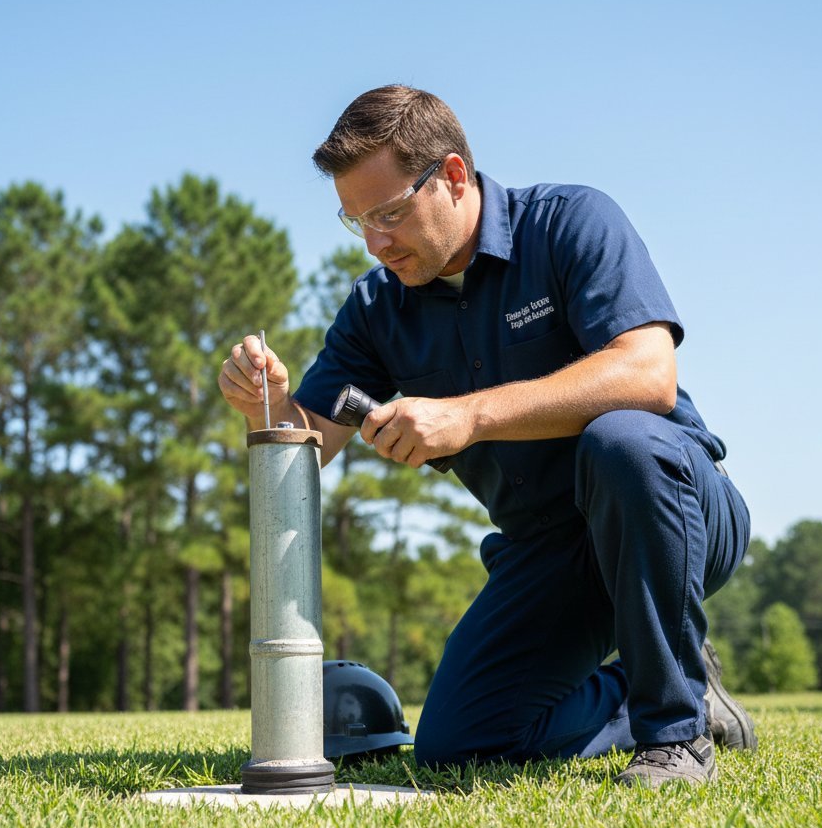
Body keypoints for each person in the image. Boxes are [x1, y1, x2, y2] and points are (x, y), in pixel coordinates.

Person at [218, 85, 756, 787]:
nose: (377, 242)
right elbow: (307, 443)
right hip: (548, 551)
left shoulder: (570, 222)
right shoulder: (378, 307)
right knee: (460, 743)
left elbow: (647, 374)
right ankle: (659, 686)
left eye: (388, 213)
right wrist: (268, 406)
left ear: (452, 176)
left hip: (671, 509)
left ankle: (675, 734)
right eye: (357, 222)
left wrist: (467, 416)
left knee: (622, 441)